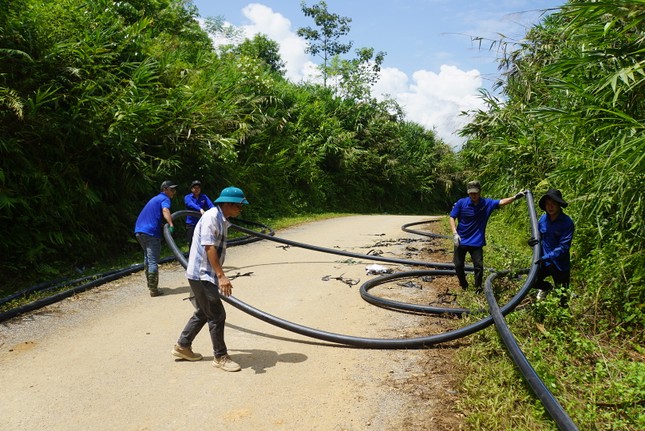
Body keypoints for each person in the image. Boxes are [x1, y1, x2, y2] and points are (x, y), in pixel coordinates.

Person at [171, 186, 249, 372]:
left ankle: (183, 345)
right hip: (202, 274)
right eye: (239, 206)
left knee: (204, 312)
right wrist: (221, 276)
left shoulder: (222, 219)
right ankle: (220, 356)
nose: (241, 209)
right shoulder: (211, 218)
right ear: (228, 204)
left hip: (204, 274)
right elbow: (209, 248)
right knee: (217, 314)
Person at [449, 181, 526, 292]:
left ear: (480, 192)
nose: (473, 195)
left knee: (478, 267)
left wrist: (514, 197)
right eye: (471, 193)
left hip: (476, 241)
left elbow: (501, 202)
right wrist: (455, 233)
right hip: (461, 240)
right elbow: (452, 217)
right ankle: (463, 284)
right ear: (468, 193)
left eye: (475, 193)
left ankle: (478, 287)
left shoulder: (486, 203)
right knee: (458, 265)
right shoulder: (461, 203)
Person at [134, 180, 178, 297]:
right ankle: (154, 290)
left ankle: (151, 285)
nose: (173, 192)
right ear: (165, 190)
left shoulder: (154, 199)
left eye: (174, 189)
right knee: (153, 260)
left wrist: (162, 225)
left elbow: (152, 216)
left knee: (147, 258)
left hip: (139, 231)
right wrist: (171, 224)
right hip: (151, 233)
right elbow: (165, 210)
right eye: (171, 189)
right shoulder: (164, 199)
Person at [535, 189, 575, 305]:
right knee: (533, 281)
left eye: (553, 203)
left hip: (560, 264)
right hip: (544, 261)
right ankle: (546, 288)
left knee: (562, 297)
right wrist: (532, 242)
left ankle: (562, 318)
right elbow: (538, 236)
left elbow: (563, 247)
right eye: (547, 204)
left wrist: (547, 257)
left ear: (559, 204)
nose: (550, 207)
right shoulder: (542, 219)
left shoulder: (567, 223)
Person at [184, 180, 214, 252]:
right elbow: (190, 204)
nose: (197, 189)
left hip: (202, 223)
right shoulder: (188, 197)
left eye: (198, 188)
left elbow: (211, 205)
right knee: (192, 241)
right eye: (195, 188)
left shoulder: (204, 197)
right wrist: (200, 209)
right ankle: (191, 259)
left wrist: (215, 212)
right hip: (191, 223)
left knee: (203, 241)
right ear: (191, 189)